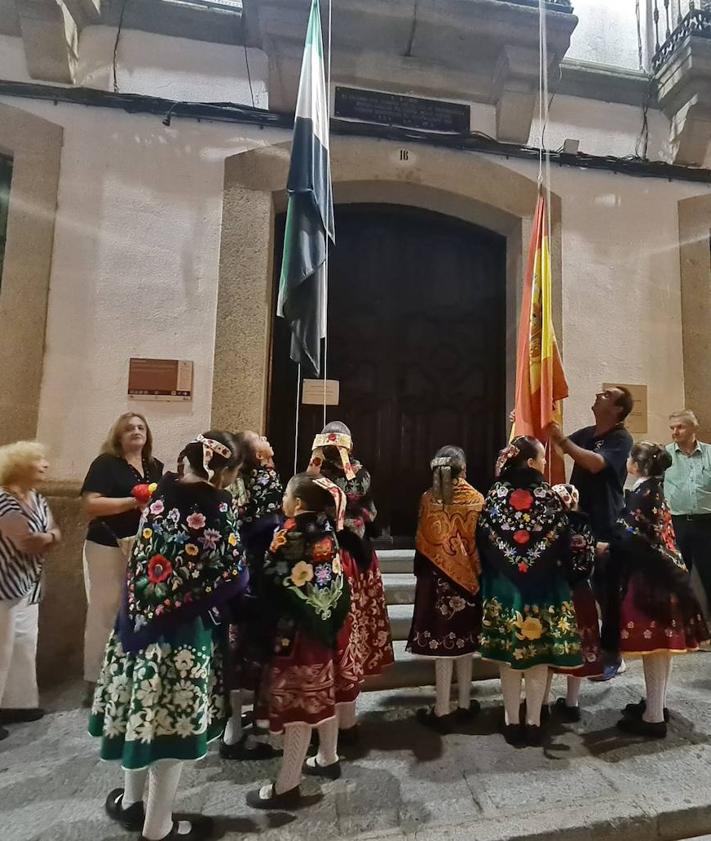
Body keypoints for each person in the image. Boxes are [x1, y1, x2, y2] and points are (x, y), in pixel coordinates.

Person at [89, 431, 247, 841]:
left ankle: (131, 803)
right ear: (224, 470)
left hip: (137, 620)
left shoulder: (158, 494)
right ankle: (158, 827)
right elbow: (233, 572)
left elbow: (144, 551)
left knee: (142, 711)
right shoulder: (217, 505)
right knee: (169, 725)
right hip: (182, 632)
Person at [247, 472, 351, 809]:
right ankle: (328, 755)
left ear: (298, 503)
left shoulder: (288, 533)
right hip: (324, 627)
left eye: (286, 497)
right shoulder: (328, 530)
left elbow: (270, 577)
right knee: (321, 694)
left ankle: (287, 786)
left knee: (295, 707)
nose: (283, 503)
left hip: (294, 633)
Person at [477, 437, 583, 747]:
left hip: (504, 587)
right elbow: (564, 539)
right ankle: (535, 722)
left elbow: (483, 537)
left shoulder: (495, 494)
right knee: (538, 657)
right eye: (543, 457)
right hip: (545, 587)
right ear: (532, 462)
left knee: (509, 656)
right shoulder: (549, 495)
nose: (546, 463)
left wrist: (510, 563)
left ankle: (511, 721)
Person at [603, 442, 709, 739]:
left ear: (637, 466)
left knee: (654, 649)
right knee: (661, 650)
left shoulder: (642, 493)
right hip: (668, 575)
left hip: (652, 581)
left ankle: (653, 717)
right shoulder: (655, 489)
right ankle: (656, 706)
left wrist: (607, 546)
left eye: (629, 458)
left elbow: (632, 535)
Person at [308, 421, 393, 739]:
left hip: (353, 555)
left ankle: (347, 721)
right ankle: (325, 717)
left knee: (353, 636)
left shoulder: (357, 470)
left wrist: (344, 462)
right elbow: (303, 493)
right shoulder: (313, 469)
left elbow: (357, 491)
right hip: (320, 555)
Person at [550, 386, 634, 679]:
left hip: (606, 527)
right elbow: (557, 447)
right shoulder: (587, 433)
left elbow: (594, 463)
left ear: (618, 409)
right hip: (580, 524)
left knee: (607, 594)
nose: (598, 394)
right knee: (582, 590)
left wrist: (561, 438)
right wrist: (526, 419)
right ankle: (587, 648)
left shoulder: (621, 438)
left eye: (607, 395)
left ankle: (614, 655)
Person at [81, 413, 163, 705]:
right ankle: (94, 681)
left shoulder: (154, 467)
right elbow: (91, 504)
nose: (136, 432)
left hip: (140, 548)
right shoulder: (106, 464)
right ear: (118, 436)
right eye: (129, 428)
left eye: (141, 427)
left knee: (133, 610)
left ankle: (123, 675)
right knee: (104, 609)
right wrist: (133, 502)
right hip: (107, 544)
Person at [407, 446, 484, 733]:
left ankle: (442, 710)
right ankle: (464, 704)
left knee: (443, 650)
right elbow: (481, 544)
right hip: (469, 582)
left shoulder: (428, 499)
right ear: (463, 469)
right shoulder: (477, 499)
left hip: (435, 581)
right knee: (464, 647)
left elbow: (422, 540)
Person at [222, 430, 283, 760]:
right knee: (258, 648)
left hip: (242, 574)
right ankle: (257, 726)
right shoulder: (264, 478)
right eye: (260, 438)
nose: (266, 437)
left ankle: (233, 726)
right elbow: (268, 524)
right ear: (258, 455)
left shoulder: (242, 479)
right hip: (258, 573)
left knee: (240, 649)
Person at [0, 442, 61, 741]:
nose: (45, 465)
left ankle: (19, 703)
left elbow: (53, 532)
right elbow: (26, 541)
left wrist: (47, 536)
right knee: (1, 648)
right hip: (4, 583)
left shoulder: (36, 498)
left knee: (24, 643)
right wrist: (47, 537)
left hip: (28, 582)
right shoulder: (3, 500)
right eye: (38, 460)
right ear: (21, 465)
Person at [546, 483, 602, 721]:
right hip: (580, 592)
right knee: (580, 644)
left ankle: (541, 702)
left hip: (554, 592)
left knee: (546, 648)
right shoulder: (585, 525)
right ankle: (572, 703)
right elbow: (590, 561)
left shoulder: (549, 525)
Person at [664, 410, 711, 621]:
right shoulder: (664, 456)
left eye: (680, 427)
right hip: (676, 522)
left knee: (709, 576)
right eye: (672, 427)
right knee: (677, 577)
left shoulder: (710, 454)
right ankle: (682, 630)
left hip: (706, 523)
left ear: (693, 428)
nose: (675, 432)